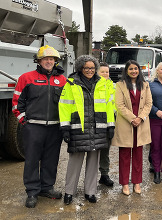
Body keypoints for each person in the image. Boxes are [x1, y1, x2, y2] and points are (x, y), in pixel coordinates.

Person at [12, 45, 66, 208]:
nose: (49, 61)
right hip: (33, 128)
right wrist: (25, 122)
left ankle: (47, 188)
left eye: (52, 59)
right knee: (32, 160)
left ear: (55, 61)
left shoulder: (62, 80)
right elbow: (16, 103)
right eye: (46, 59)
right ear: (39, 61)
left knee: (51, 160)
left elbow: (67, 105)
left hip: (55, 128)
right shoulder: (26, 78)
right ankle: (32, 191)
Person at [59, 55, 115, 205]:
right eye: (86, 68)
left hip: (98, 128)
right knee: (74, 162)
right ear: (80, 68)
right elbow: (64, 106)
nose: (90, 70)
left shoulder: (102, 83)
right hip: (78, 128)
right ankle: (69, 192)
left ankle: (90, 192)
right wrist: (65, 127)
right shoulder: (71, 83)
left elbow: (109, 106)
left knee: (93, 163)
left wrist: (111, 125)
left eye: (92, 68)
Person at [111, 60, 152, 195]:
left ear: (139, 70)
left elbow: (148, 103)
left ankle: (137, 182)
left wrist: (140, 118)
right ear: (126, 71)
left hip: (140, 124)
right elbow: (119, 105)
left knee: (138, 155)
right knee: (124, 156)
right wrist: (132, 118)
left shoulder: (145, 85)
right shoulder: (120, 85)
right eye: (131, 69)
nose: (134, 71)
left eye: (136, 69)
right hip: (126, 124)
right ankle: (124, 184)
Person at [97, 62, 116, 187]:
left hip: (109, 122)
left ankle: (104, 174)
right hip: (95, 122)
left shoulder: (113, 86)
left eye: (107, 72)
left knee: (105, 150)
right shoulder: (94, 85)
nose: (105, 74)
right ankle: (91, 177)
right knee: (93, 152)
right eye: (102, 71)